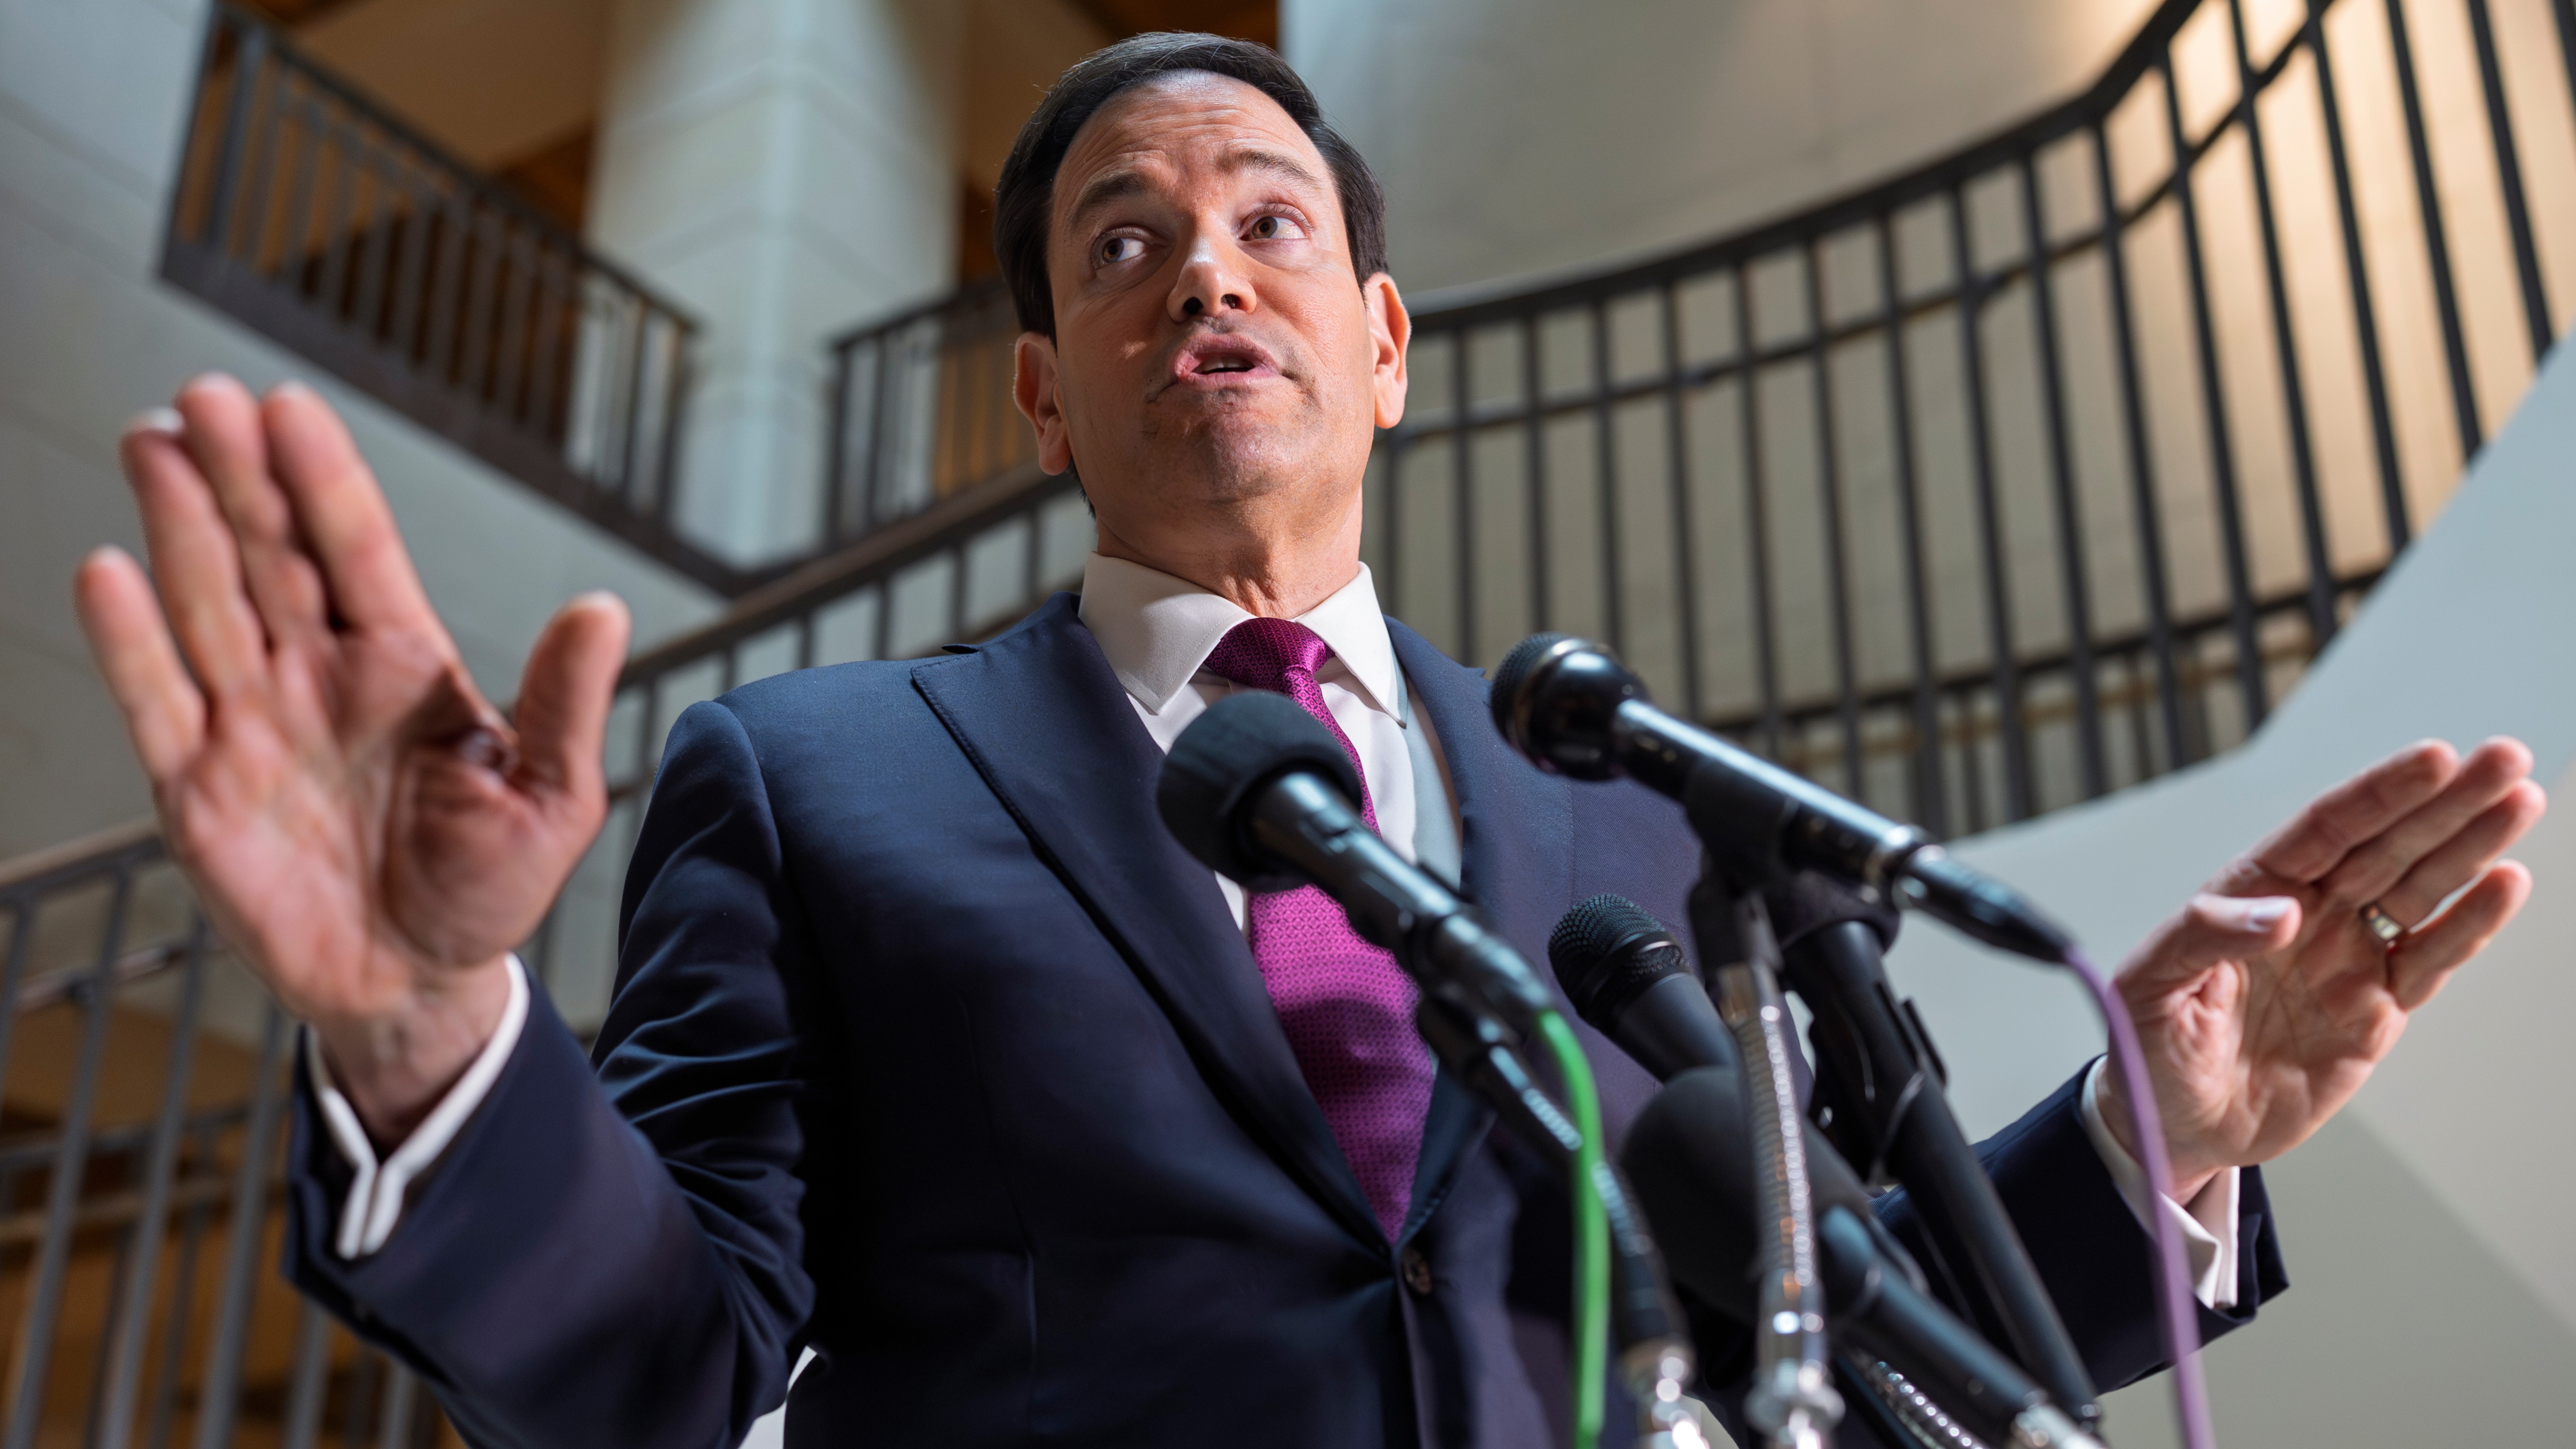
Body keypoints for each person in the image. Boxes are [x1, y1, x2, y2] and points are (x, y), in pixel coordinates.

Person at [74, 33, 2540, 1449]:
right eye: (1124, 243)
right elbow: (675, 1358)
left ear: (1377, 342)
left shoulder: (1608, 801)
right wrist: (430, 1047)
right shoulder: (813, 775)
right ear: (1044, 383)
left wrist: (2156, 1128)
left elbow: (1822, 1315)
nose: (1203, 277)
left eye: (1266, 225)